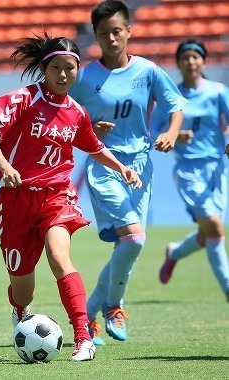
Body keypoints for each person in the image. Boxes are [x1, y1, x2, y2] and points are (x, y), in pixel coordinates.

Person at [0, 31, 142, 361]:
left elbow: (94, 148)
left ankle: (83, 336)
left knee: (59, 255)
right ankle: (21, 306)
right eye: (57, 67)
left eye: (71, 68)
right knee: (22, 287)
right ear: (45, 68)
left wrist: (121, 168)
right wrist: (5, 166)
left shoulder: (77, 112)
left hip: (56, 196)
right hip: (15, 199)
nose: (64, 74)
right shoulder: (23, 100)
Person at [68, 0, 188, 345]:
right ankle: (114, 308)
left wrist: (168, 132)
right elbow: (68, 120)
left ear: (128, 31)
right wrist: (91, 129)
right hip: (104, 166)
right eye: (103, 33)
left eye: (117, 31)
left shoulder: (147, 71)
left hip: (141, 167)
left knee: (128, 244)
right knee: (134, 239)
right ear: (96, 36)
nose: (111, 38)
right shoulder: (84, 77)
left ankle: (87, 316)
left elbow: (175, 106)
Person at [150, 39, 229, 302]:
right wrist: (172, 135)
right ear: (179, 63)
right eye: (185, 57)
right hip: (188, 170)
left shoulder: (218, 91)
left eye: (196, 57)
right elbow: (153, 131)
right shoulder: (172, 97)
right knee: (216, 227)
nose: (191, 62)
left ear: (204, 61)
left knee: (209, 233)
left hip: (218, 169)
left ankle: (174, 252)